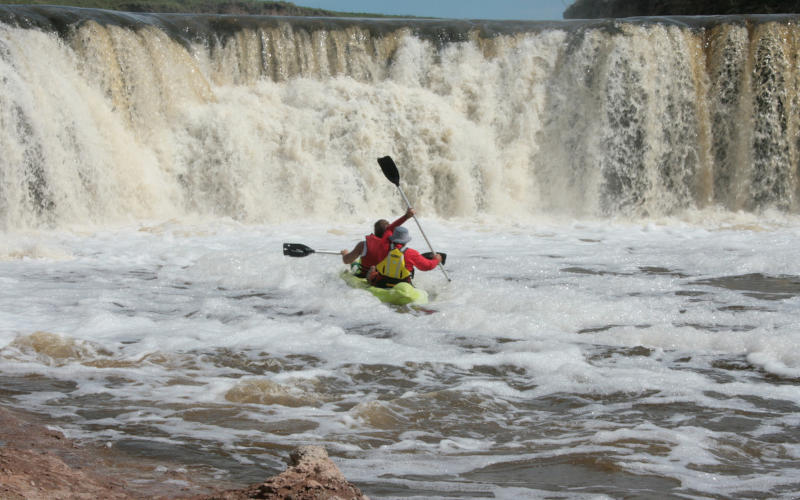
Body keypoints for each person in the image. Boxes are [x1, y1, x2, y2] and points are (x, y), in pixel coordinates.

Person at [341, 208, 415, 277]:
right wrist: (406, 216)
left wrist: (345, 254)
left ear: (375, 231)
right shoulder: (395, 247)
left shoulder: (363, 245)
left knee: (353, 264)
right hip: (385, 277)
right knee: (355, 263)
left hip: (365, 276)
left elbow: (347, 260)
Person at [367, 226, 442, 288]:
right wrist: (436, 260)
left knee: (373, 270)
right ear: (406, 241)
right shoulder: (411, 253)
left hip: (381, 284)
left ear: (392, 239)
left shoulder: (383, 248)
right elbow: (427, 266)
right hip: (402, 286)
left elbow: (388, 229)